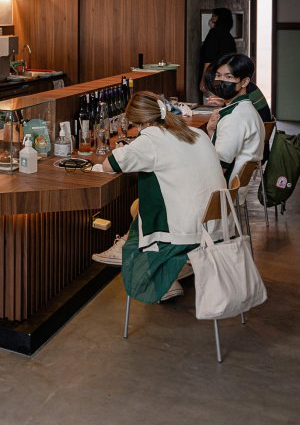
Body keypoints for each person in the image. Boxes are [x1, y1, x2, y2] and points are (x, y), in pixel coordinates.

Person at [91, 91, 226, 303]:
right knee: (139, 204)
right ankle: (167, 277)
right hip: (217, 225)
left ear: (140, 123)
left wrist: (128, 147)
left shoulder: (150, 139)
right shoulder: (195, 132)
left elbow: (109, 165)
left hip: (186, 233)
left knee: (145, 205)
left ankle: (144, 263)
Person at [205, 53, 265, 183]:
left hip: (223, 188)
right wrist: (211, 131)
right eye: (218, 75)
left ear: (244, 82)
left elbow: (219, 168)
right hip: (236, 188)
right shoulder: (246, 109)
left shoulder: (234, 117)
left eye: (229, 77)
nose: (221, 81)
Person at [198, 7, 236, 96]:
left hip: (213, 77)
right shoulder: (228, 35)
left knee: (212, 102)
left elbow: (209, 59)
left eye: (214, 16)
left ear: (220, 18)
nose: (211, 19)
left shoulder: (214, 33)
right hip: (226, 76)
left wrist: (203, 80)